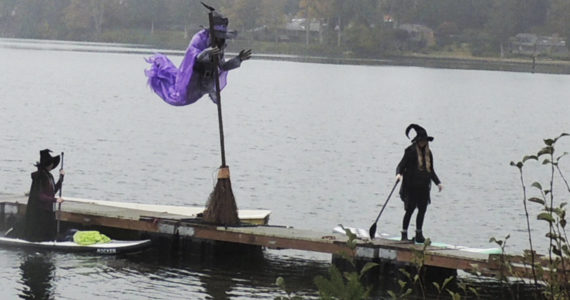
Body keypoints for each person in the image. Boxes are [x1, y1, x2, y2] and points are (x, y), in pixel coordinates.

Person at [144, 10, 252, 106]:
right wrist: (207, 52)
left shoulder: (220, 46)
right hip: (190, 80)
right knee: (180, 95)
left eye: (222, 37)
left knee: (211, 76)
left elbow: (222, 66)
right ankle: (210, 90)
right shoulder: (199, 39)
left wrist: (239, 59)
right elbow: (194, 56)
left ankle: (211, 91)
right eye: (218, 36)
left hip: (203, 83)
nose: (220, 39)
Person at [396, 124, 442, 243]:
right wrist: (399, 174)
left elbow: (431, 170)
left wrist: (438, 183)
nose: (424, 143)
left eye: (425, 141)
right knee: (410, 210)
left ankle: (418, 234)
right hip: (411, 186)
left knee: (422, 210)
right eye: (422, 141)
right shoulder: (410, 151)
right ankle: (404, 233)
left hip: (424, 187)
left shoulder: (428, 153)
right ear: (418, 141)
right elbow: (401, 165)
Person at [23, 149, 64, 242]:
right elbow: (40, 196)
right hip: (41, 210)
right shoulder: (40, 177)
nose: (53, 165)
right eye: (52, 163)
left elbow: (54, 190)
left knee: (49, 230)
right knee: (42, 231)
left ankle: (49, 240)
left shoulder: (49, 176)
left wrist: (61, 178)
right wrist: (55, 200)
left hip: (49, 209)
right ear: (49, 164)